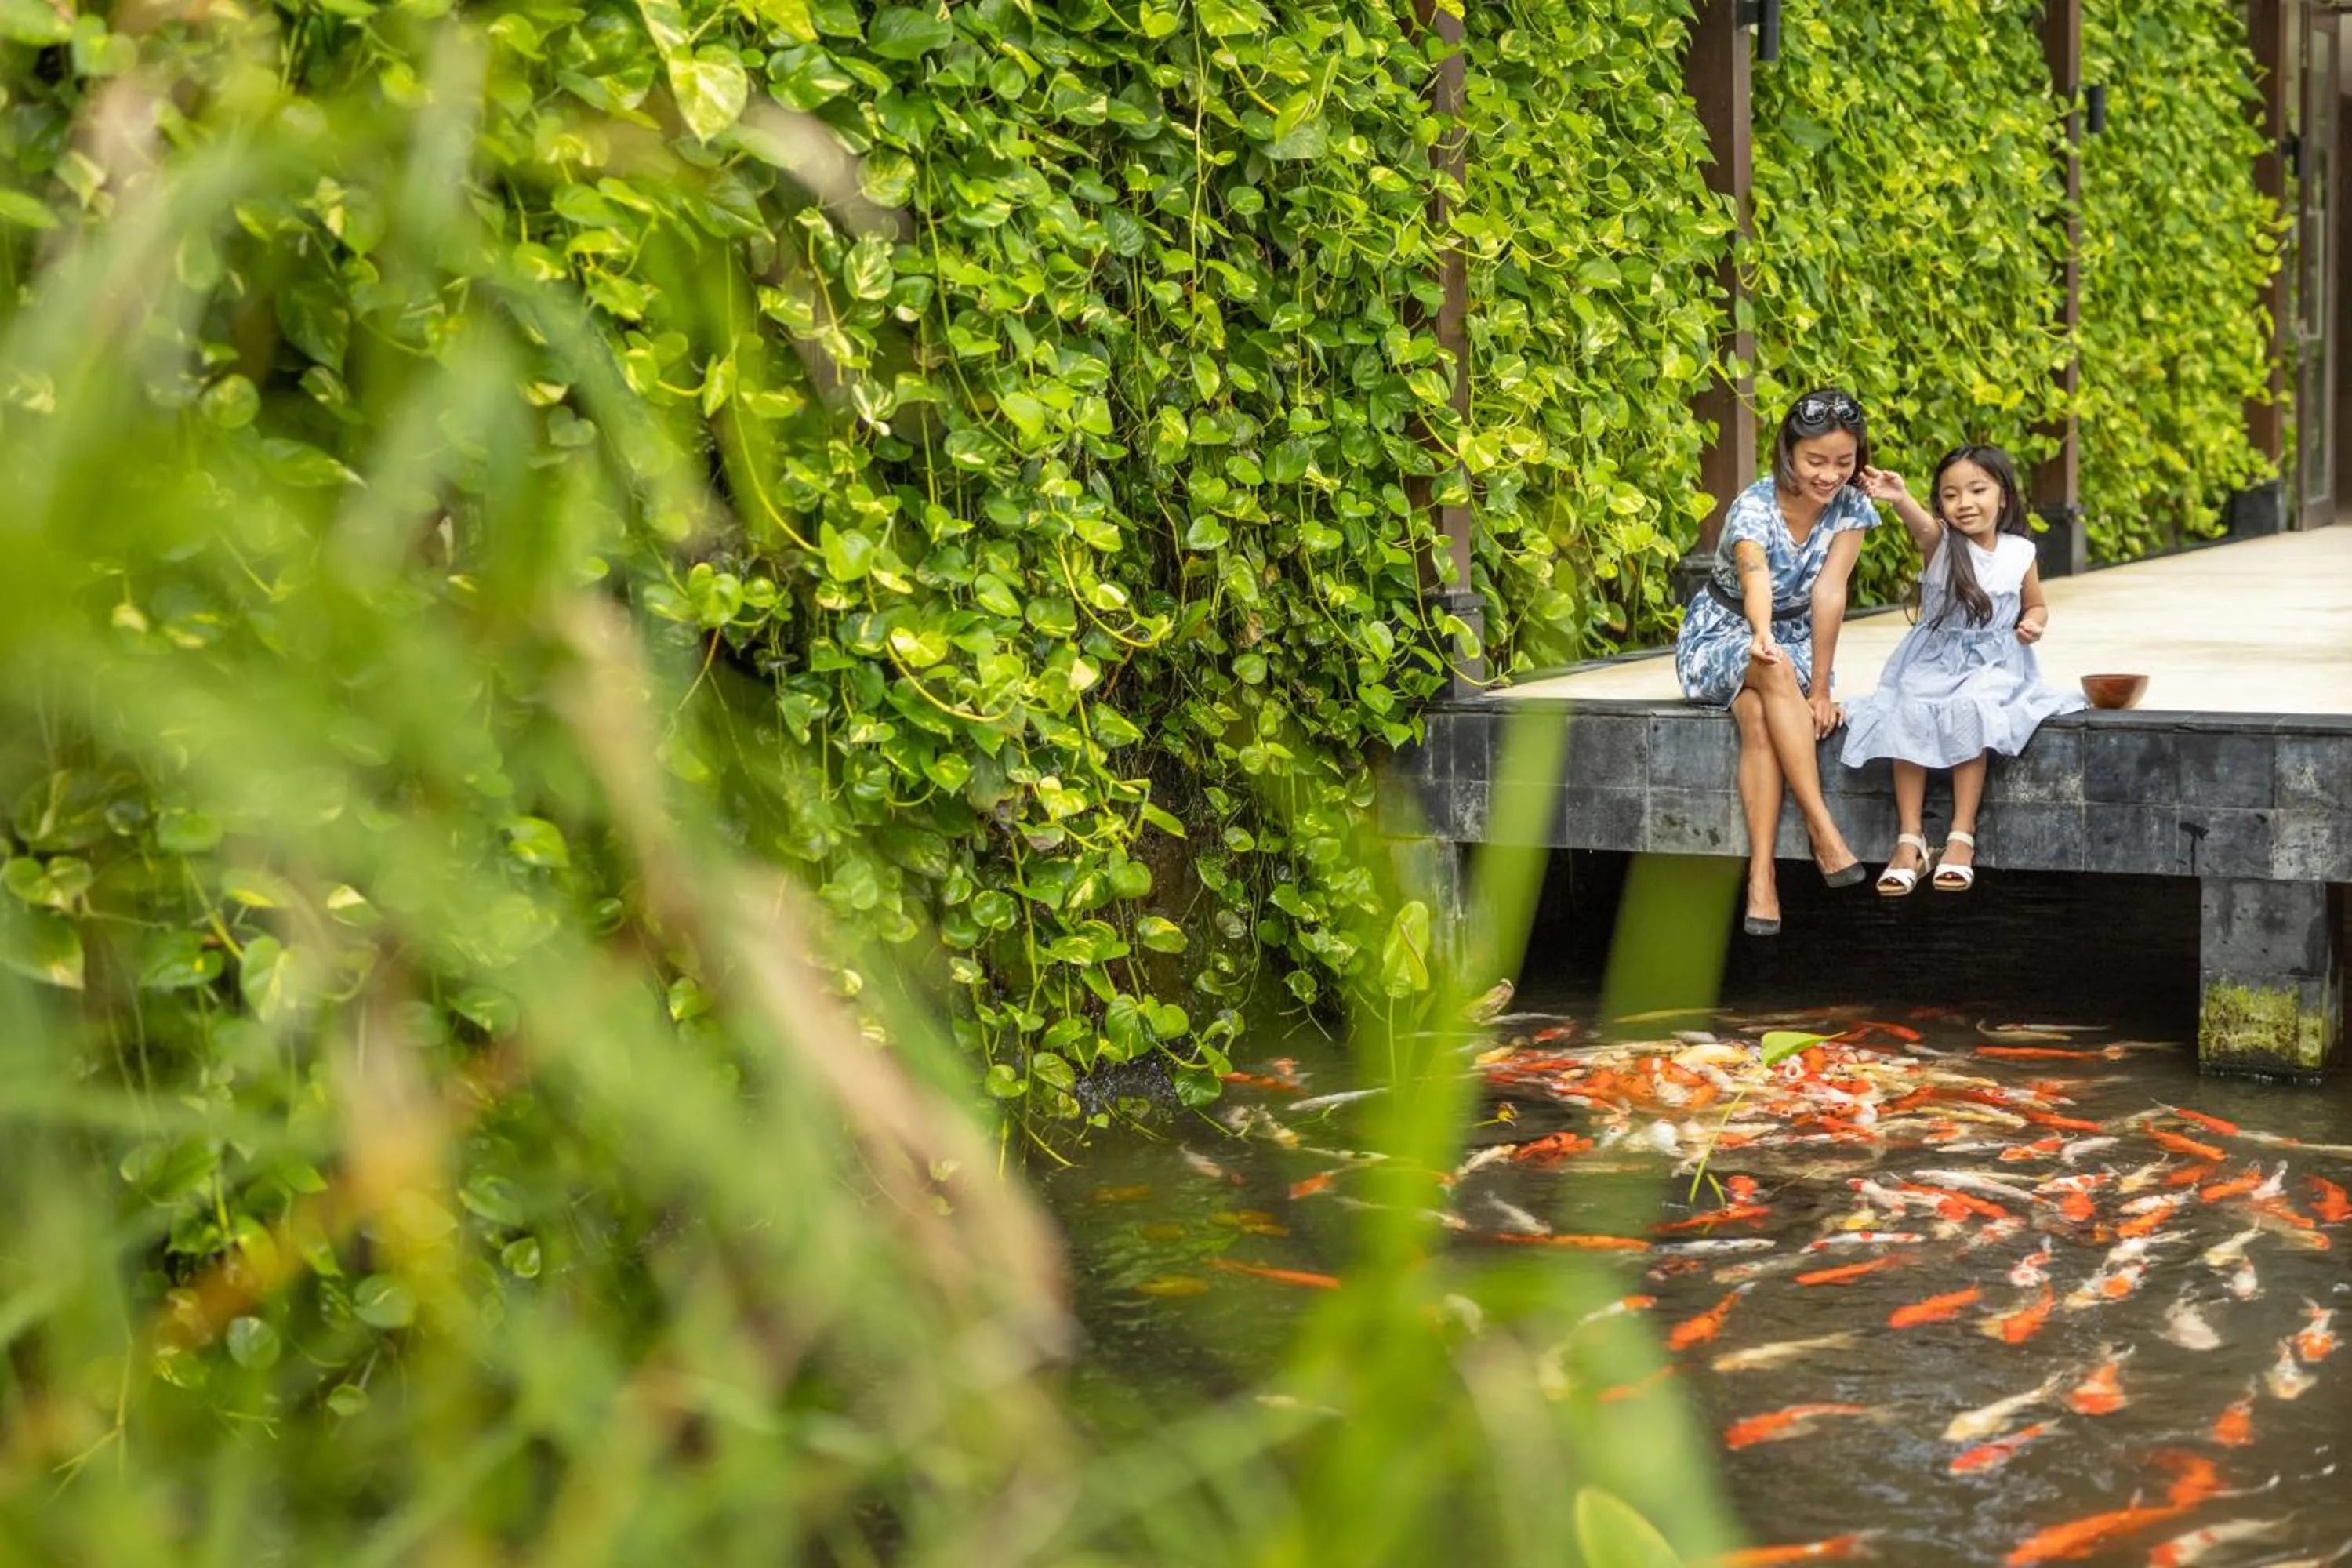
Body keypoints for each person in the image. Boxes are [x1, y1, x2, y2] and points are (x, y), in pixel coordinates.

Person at [1842, 444, 2086, 895]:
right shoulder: (1940, 543)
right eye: (1950, 495)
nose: (1965, 503)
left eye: (1978, 490)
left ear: (2003, 497)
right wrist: (1900, 498)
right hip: (1934, 657)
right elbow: (1919, 525)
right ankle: (1910, 839)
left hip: (1994, 660)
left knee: (1970, 707)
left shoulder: (2020, 552)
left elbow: (2036, 605)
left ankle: (1961, 834)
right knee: (1908, 708)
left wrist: (2033, 623)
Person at [1675, 389, 1874, 937]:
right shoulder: (1753, 507)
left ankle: (1761, 877)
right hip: (1723, 631)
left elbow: (1831, 593)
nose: (1829, 474)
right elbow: (1754, 577)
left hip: (1798, 639)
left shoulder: (1852, 506)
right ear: (1789, 452)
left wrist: (1823, 692)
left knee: (1760, 715)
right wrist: (1761, 634)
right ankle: (1822, 829)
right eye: (1816, 461)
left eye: (1843, 461)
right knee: (1773, 666)